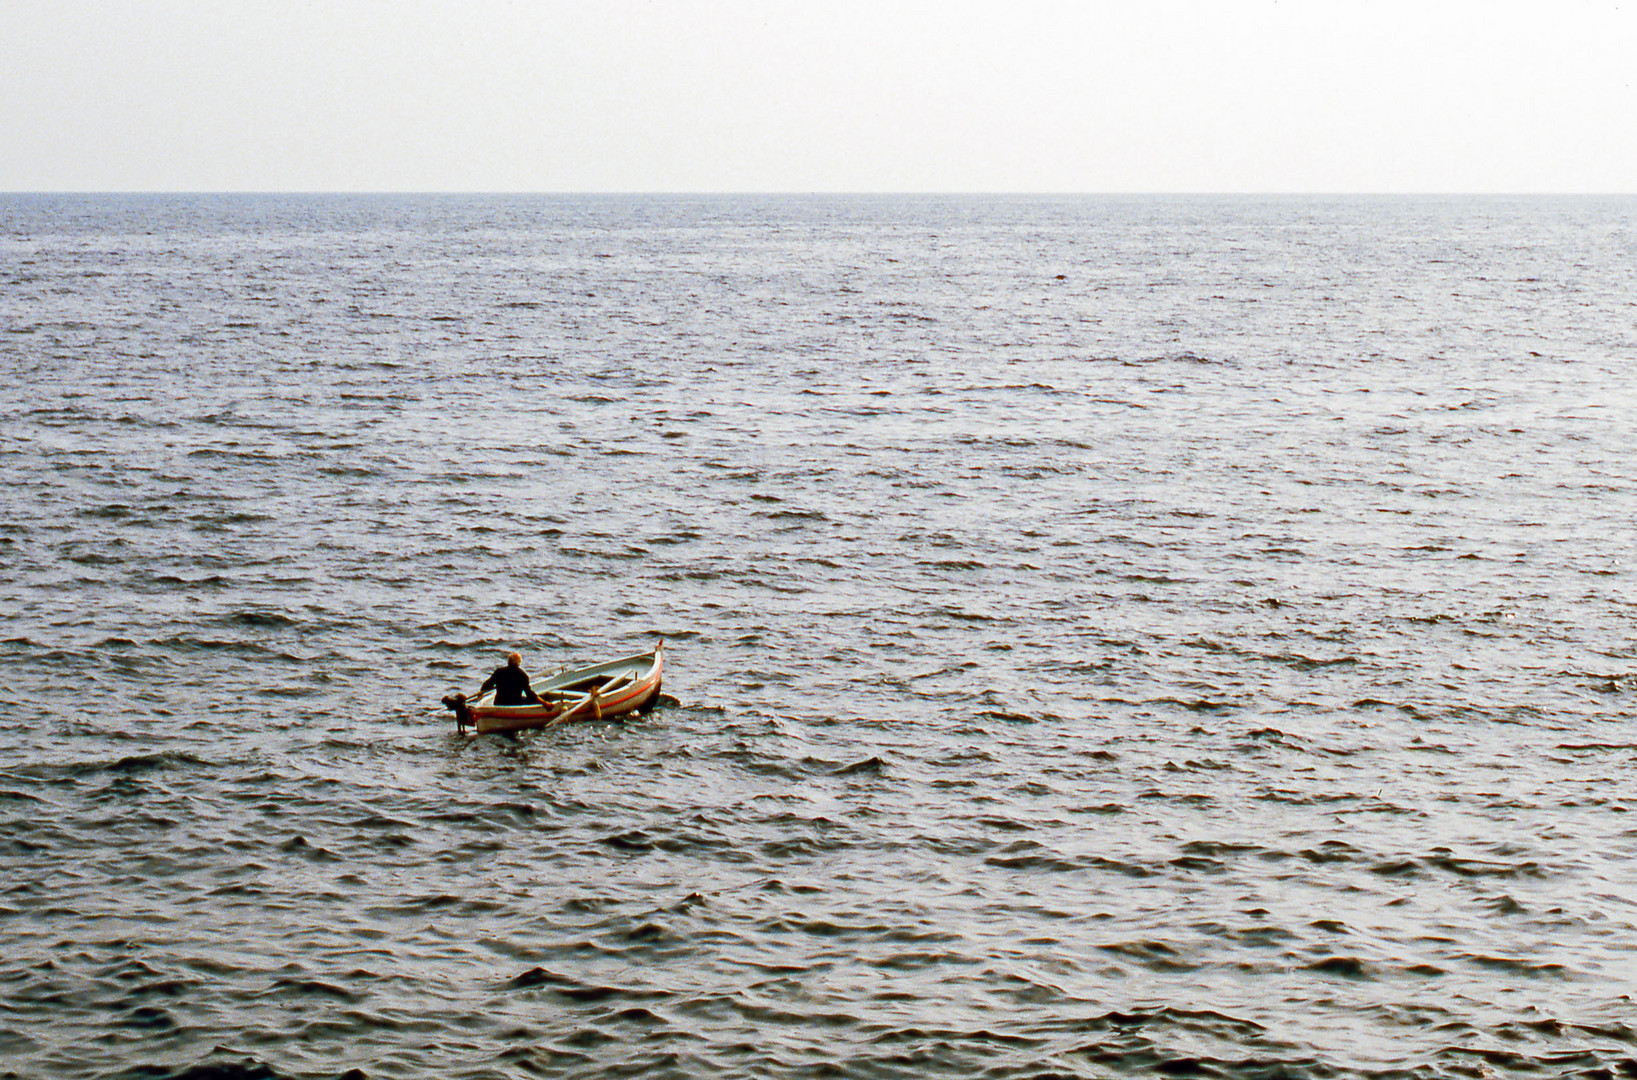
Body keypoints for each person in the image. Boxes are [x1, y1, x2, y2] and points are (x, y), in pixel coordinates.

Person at [480, 651, 544, 706]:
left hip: (499, 703)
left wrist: (481, 693)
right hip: (515, 703)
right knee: (530, 700)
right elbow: (529, 694)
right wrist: (544, 702)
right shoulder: (522, 675)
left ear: (508, 662)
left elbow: (488, 684)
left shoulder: (499, 672)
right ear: (519, 663)